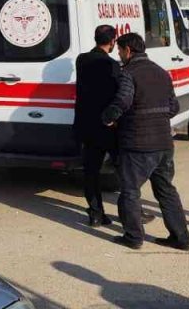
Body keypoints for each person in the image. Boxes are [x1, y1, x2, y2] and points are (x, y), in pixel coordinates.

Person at [101, 33, 189, 251]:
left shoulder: (129, 74)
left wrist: (107, 117)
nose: (119, 55)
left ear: (129, 51)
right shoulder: (161, 72)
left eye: (120, 51)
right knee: (166, 191)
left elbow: (123, 101)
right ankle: (181, 238)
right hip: (164, 143)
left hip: (138, 144)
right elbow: (173, 107)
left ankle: (133, 237)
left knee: (130, 191)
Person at [74, 25, 121, 226]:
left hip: (86, 123)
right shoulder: (112, 65)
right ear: (112, 42)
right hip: (107, 124)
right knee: (125, 169)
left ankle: (95, 212)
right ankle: (130, 211)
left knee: (91, 171)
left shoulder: (81, 59)